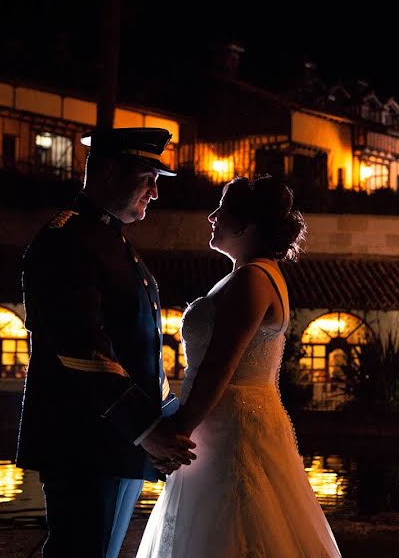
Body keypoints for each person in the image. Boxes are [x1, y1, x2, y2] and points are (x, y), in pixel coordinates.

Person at [138, 175, 341, 557]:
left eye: (223, 209)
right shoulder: (249, 275)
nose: (212, 216)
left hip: (231, 427)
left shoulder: (253, 279)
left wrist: (177, 432)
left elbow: (220, 366)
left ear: (245, 225)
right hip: (221, 425)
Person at [16, 127, 196, 558]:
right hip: (84, 436)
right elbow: (82, 349)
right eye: (148, 178)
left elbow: (140, 352)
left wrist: (169, 418)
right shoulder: (67, 240)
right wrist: (148, 429)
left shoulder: (109, 242)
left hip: (116, 437)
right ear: (110, 172)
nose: (155, 193)